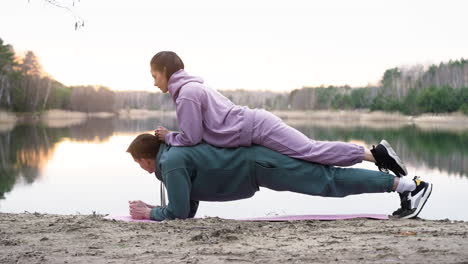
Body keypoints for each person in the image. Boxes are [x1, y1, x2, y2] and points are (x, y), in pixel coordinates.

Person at [150, 51, 407, 177]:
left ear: (164, 70)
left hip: (256, 127)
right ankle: (373, 156)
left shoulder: (186, 93)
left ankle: (373, 155)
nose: (154, 82)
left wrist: (168, 136)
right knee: (309, 151)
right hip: (254, 126)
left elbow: (191, 138)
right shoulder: (192, 88)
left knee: (310, 151)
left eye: (154, 76)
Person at [126, 134, 432, 221]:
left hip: (261, 165)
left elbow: (178, 212)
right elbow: (187, 208)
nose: (141, 168)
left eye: (139, 163)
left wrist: (149, 213)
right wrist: (160, 211)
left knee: (328, 181)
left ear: (145, 158)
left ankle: (408, 186)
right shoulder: (172, 159)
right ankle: (399, 181)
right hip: (259, 164)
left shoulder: (172, 162)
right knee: (324, 172)